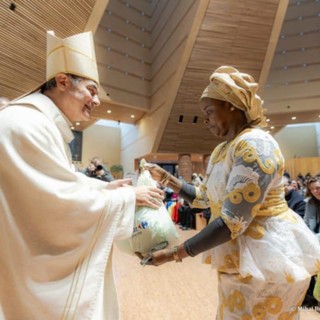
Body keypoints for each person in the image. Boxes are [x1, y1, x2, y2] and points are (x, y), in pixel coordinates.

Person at [0, 31, 164, 320]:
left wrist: (105, 188)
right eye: (91, 89)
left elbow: (56, 182)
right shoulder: (26, 123)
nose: (97, 100)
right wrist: (128, 196)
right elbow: (56, 201)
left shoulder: (38, 122)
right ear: (63, 81)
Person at [145, 66, 320, 319]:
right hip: (243, 253)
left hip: (266, 254)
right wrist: (167, 178)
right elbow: (206, 197)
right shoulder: (223, 150)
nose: (205, 120)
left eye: (209, 112)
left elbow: (231, 221)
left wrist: (174, 254)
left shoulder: (255, 144)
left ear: (231, 105)